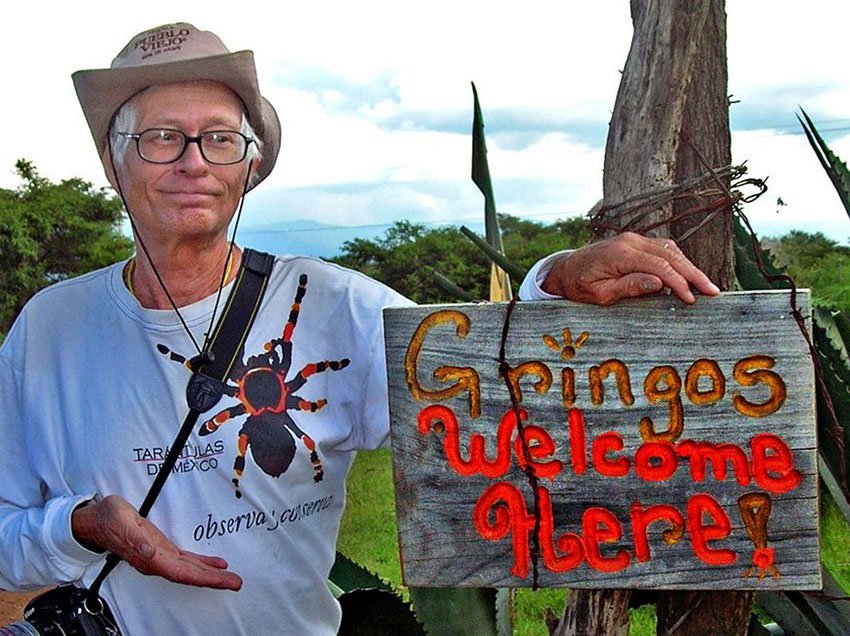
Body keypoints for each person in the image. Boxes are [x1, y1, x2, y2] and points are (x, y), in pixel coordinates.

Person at [0, 23, 718, 635]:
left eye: (218, 138)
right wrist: (78, 526)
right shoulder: (46, 332)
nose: (193, 161)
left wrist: (555, 278)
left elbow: (479, 378)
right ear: (112, 161)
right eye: (161, 137)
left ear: (248, 165)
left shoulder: (332, 303)